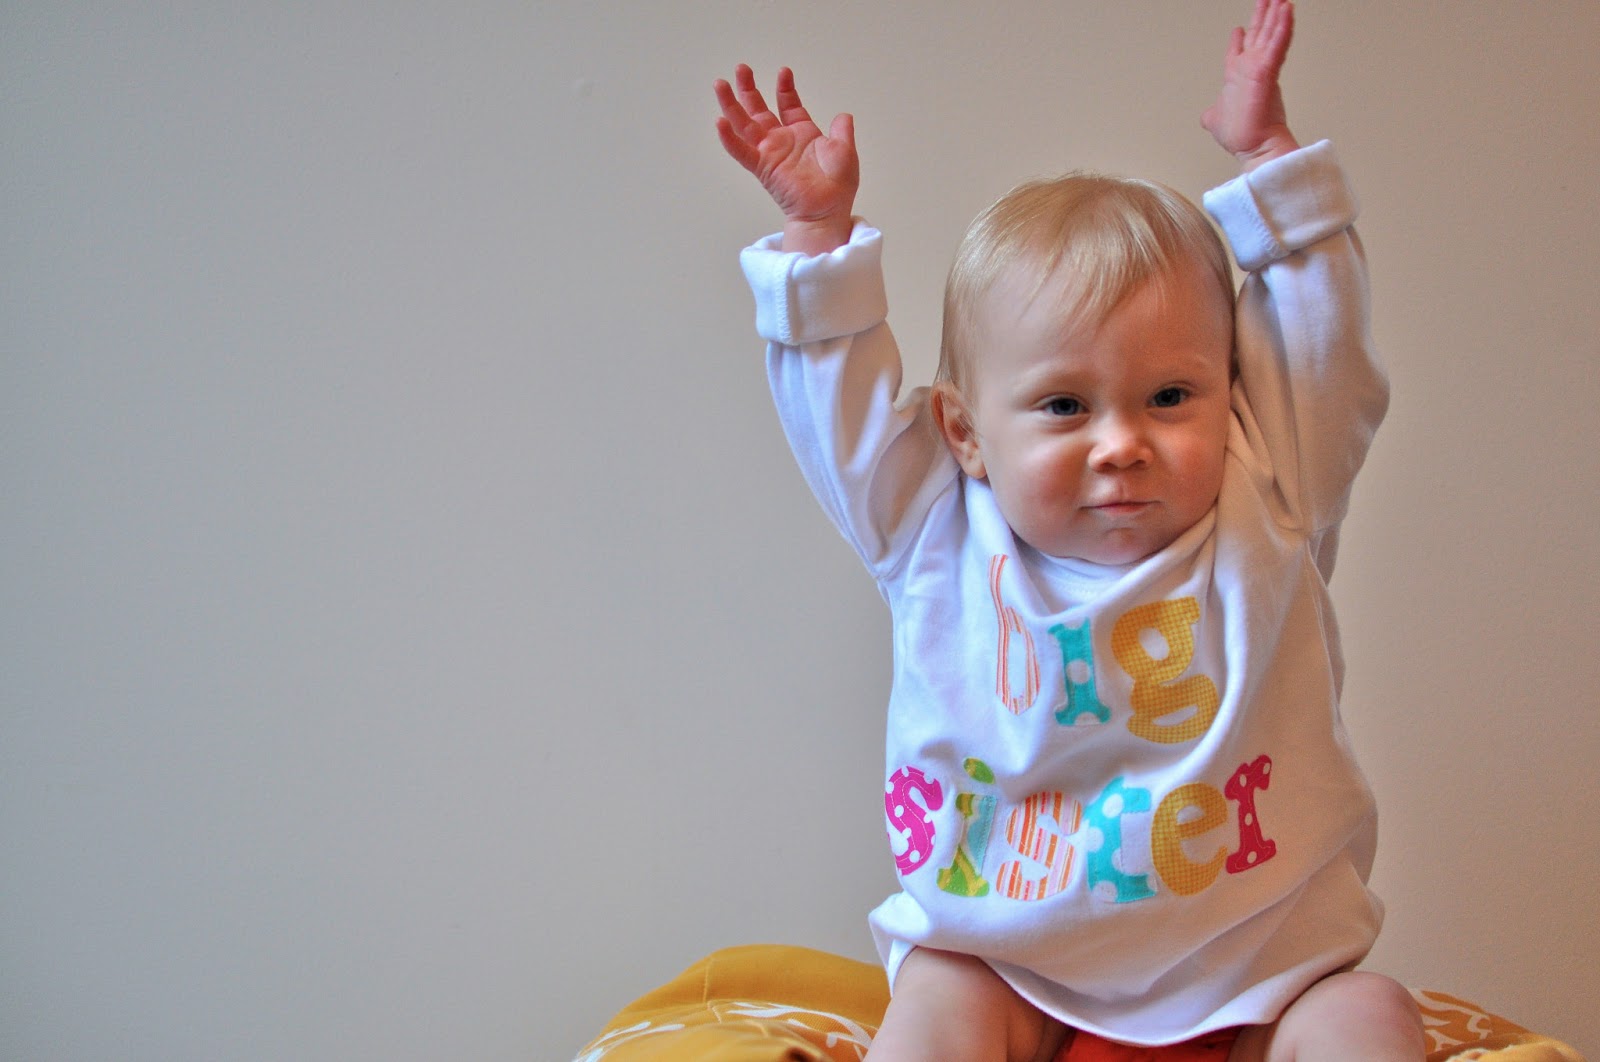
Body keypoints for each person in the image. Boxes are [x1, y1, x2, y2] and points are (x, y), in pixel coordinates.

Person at [712, 1, 1427, 1059]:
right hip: (1013, 963)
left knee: (1367, 1016)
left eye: (1171, 397)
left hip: (1260, 964)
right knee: (938, 1004)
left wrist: (1271, 165)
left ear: (1230, 394)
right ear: (965, 432)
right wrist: (817, 240)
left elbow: (1325, 349)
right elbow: (839, 416)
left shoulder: (1265, 485)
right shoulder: (933, 527)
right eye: (1063, 406)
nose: (1121, 444)